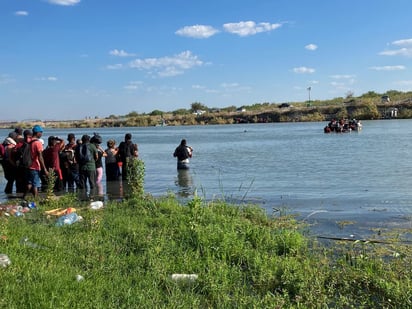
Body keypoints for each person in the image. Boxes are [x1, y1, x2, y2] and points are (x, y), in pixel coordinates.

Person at [23, 125, 48, 199]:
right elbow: (40, 157)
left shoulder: (29, 141)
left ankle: (23, 197)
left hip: (28, 165)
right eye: (41, 132)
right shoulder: (38, 143)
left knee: (30, 183)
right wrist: (45, 169)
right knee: (35, 184)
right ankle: (36, 199)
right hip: (35, 166)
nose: (41, 134)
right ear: (37, 133)